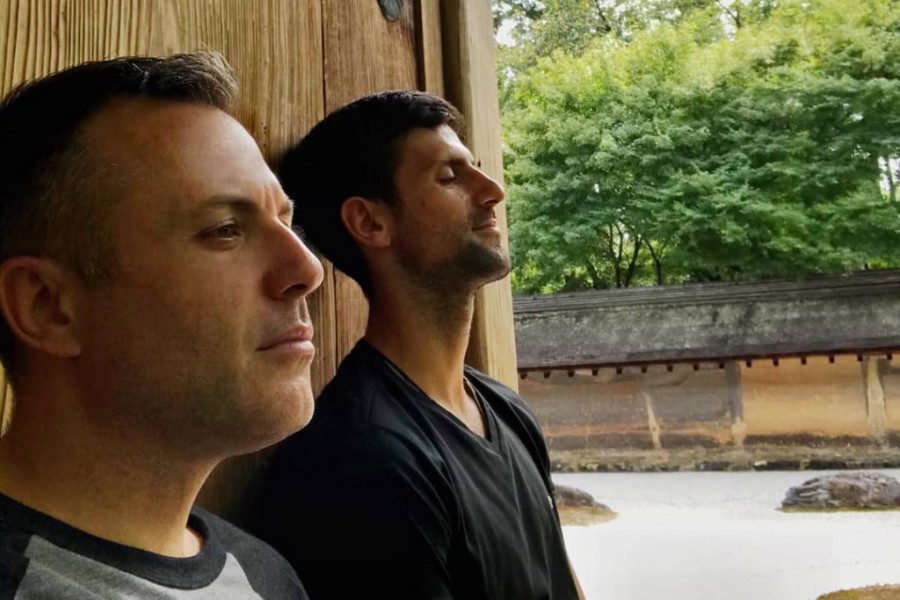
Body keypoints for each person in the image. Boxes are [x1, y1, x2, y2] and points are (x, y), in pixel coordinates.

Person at [0, 52, 323, 599]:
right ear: (47, 306)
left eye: (287, 222)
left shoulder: (266, 576)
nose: (308, 270)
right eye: (225, 230)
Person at [256, 90, 585, 600]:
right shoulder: (361, 461)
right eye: (450, 177)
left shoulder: (506, 409)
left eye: (477, 169)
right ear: (370, 222)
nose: (493, 190)